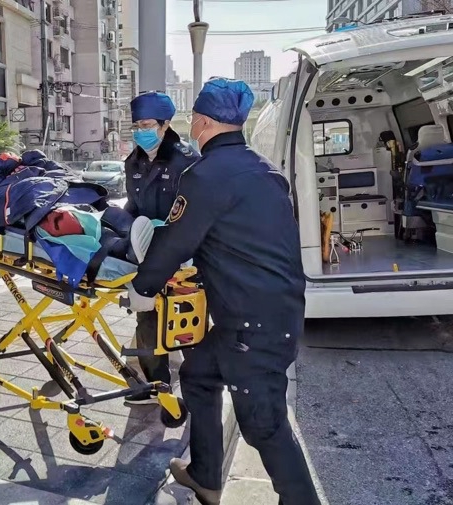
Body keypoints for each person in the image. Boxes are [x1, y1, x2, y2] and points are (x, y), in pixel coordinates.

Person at [122, 78, 321, 505]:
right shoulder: (264, 170)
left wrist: (142, 288)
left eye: (194, 118)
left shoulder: (206, 175)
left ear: (204, 122)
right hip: (264, 312)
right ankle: (205, 475)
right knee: (198, 374)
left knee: (264, 425)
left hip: (254, 325)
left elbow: (175, 241)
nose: (191, 125)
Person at [122, 91, 200, 405]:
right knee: (147, 316)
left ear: (165, 125)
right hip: (148, 252)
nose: (140, 131)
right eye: (136, 126)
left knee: (187, 319)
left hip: (184, 253)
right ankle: (157, 386)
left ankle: (201, 385)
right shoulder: (133, 162)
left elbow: (198, 210)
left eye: (147, 125)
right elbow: (133, 205)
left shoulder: (187, 160)